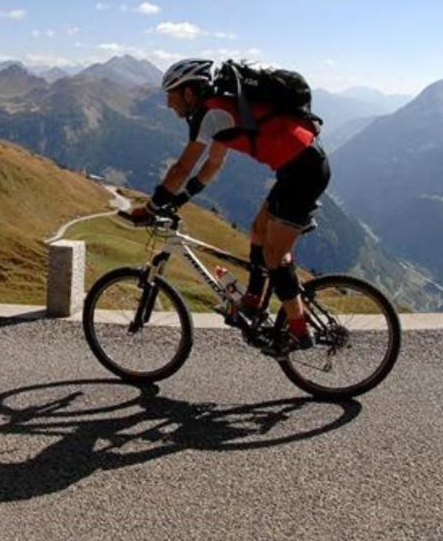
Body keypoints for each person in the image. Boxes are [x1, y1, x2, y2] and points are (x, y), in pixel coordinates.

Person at [130, 59, 330, 356]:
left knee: (275, 255)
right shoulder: (221, 109)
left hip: (304, 171)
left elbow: (184, 167)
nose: (168, 104)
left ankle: (300, 332)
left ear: (188, 92)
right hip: (295, 169)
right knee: (258, 230)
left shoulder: (212, 113)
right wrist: (181, 200)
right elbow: (213, 164)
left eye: (171, 94)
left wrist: (152, 206)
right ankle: (252, 298)